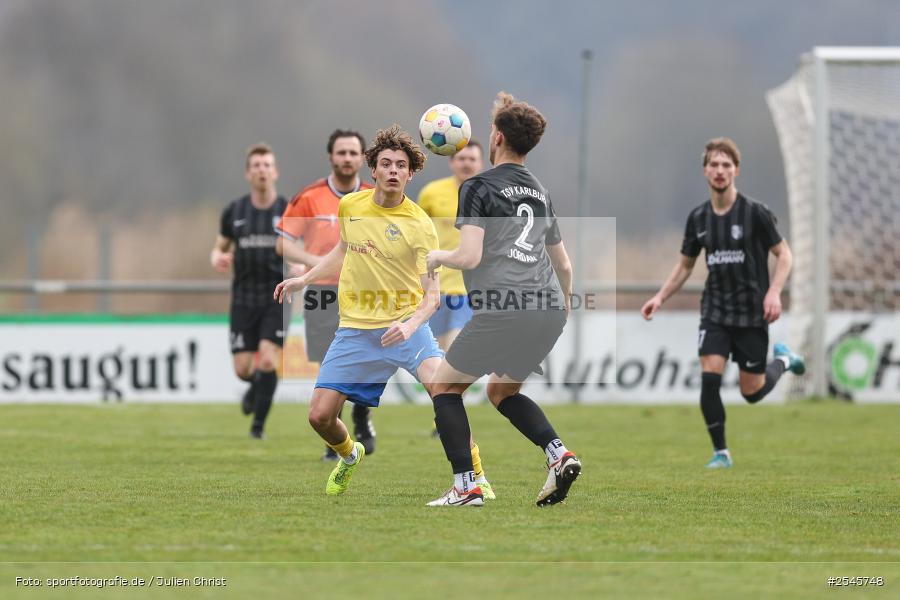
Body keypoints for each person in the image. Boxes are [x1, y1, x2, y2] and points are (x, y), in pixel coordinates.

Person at [274, 125, 493, 499]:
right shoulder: (351, 206)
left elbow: (433, 296)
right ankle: (350, 453)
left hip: (407, 328)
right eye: (386, 163)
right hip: (356, 329)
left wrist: (409, 328)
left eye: (401, 165)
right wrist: (305, 279)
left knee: (445, 392)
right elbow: (342, 251)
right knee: (319, 416)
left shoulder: (420, 224)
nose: (393, 170)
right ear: (372, 170)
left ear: (411, 173)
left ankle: (475, 475)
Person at [425, 92, 581, 507]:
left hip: (504, 307)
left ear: (495, 137)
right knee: (501, 393)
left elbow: (469, 256)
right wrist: (564, 304)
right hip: (547, 309)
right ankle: (558, 454)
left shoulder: (478, 186)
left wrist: (436, 256)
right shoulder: (541, 192)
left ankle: (466, 487)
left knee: (444, 388)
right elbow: (564, 264)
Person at [640, 137, 806, 469]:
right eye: (714, 165)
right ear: (705, 171)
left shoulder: (755, 213)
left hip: (751, 312)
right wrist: (660, 297)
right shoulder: (698, 218)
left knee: (752, 393)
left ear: (736, 170)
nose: (720, 170)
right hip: (715, 310)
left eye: (726, 165)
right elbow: (686, 265)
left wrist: (773, 292)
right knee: (710, 376)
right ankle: (721, 452)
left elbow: (784, 254)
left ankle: (784, 361)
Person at [275, 130, 377, 460]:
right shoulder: (310, 197)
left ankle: (361, 414)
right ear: (331, 157)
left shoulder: (377, 196)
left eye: (353, 152)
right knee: (329, 367)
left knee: (363, 362)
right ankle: (334, 440)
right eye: (341, 152)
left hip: (364, 294)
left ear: (362, 158)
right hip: (323, 293)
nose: (347, 158)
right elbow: (283, 243)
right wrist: (312, 263)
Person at [210, 143, 288, 439]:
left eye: (267, 165)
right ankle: (256, 387)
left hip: (275, 296)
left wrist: (302, 268)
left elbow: (302, 248)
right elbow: (219, 248)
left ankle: (258, 428)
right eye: (256, 165)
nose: (262, 170)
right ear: (248, 173)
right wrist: (217, 257)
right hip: (243, 298)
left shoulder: (288, 209)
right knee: (243, 369)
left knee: (268, 361)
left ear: (275, 171)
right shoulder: (235, 211)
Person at [417, 140, 483, 349]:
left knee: (457, 347)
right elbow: (417, 236)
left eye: (472, 159)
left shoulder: (489, 195)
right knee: (438, 353)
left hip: (471, 290)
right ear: (451, 162)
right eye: (461, 158)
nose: (466, 164)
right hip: (436, 287)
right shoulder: (431, 193)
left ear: (480, 163)